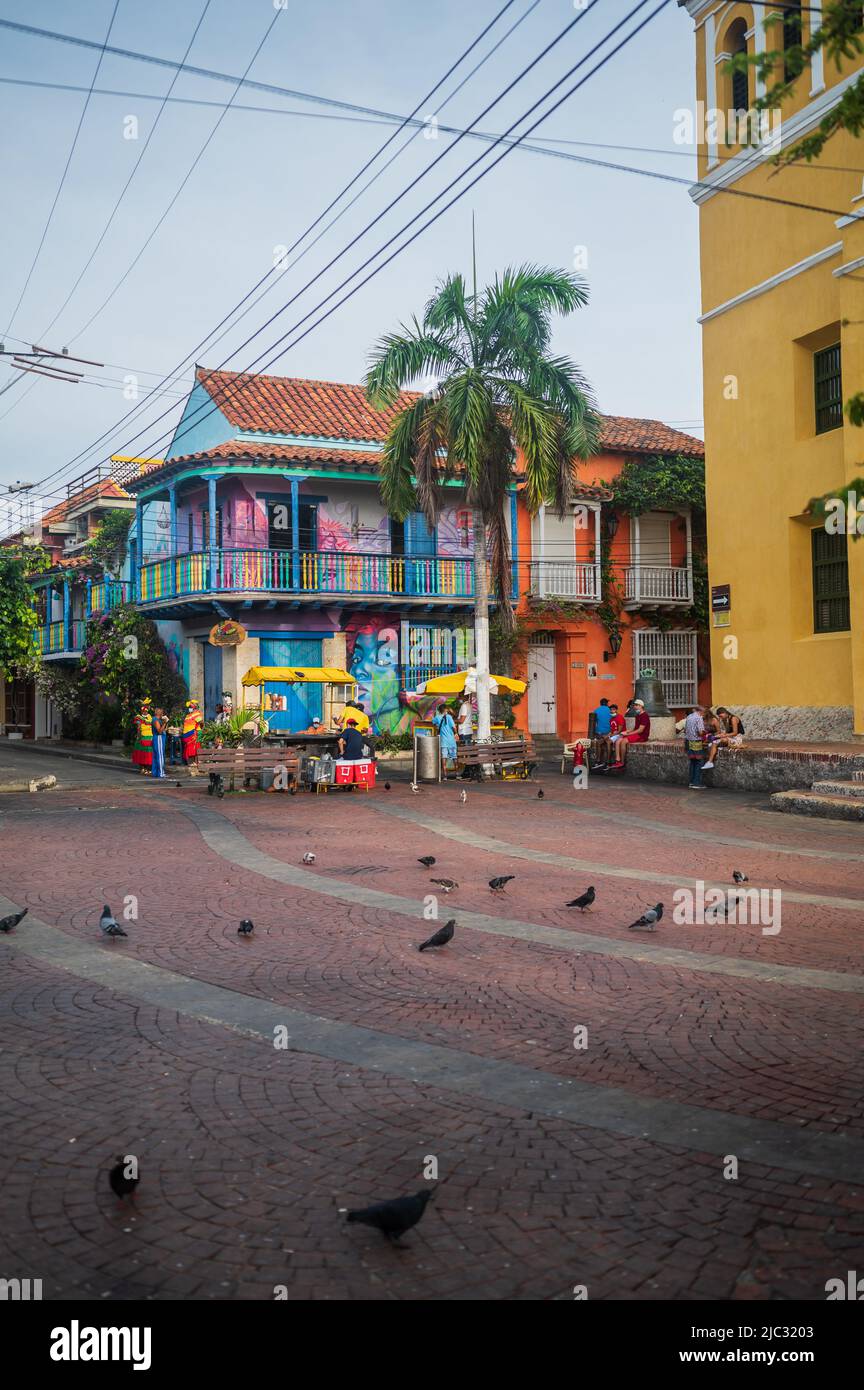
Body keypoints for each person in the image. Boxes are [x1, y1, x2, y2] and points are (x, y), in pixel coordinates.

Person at [683, 704, 707, 789]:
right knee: (699, 762)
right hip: (696, 742)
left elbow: (685, 730)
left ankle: (691, 782)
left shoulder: (689, 716)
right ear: (701, 711)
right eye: (704, 713)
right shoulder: (699, 718)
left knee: (692, 762)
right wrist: (705, 732)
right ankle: (697, 783)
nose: (704, 715)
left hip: (688, 741)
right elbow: (700, 732)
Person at [433, 701, 459, 776]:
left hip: (443, 741)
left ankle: (445, 775)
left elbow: (433, 722)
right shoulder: (449, 717)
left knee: (444, 757)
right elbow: (454, 727)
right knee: (454, 757)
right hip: (451, 741)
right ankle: (457, 774)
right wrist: (456, 734)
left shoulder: (437, 717)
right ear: (445, 710)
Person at [131, 698, 153, 775]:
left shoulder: (150, 717)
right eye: (145, 709)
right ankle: (143, 768)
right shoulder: (139, 717)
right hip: (144, 737)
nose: (145, 710)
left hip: (149, 737)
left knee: (147, 754)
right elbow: (138, 727)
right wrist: (138, 736)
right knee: (143, 753)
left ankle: (146, 768)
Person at [591, 697, 613, 766]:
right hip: (609, 732)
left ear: (600, 704)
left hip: (599, 733)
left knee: (599, 743)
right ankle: (608, 761)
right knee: (607, 744)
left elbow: (594, 723)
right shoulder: (610, 710)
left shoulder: (596, 710)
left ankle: (598, 760)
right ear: (607, 703)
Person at [181, 700, 204, 766]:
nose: (189, 708)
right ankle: (192, 762)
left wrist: (199, 730)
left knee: (196, 748)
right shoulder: (189, 715)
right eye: (189, 707)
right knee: (192, 748)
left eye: (191, 707)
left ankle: (195, 762)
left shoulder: (195, 714)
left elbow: (201, 723)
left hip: (194, 733)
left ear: (194, 707)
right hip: (189, 735)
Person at [151, 707, 167, 779]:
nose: (163, 714)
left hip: (157, 738)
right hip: (159, 738)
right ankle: (161, 773)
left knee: (156, 756)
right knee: (160, 756)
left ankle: (156, 772)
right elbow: (159, 731)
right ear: (159, 713)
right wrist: (165, 722)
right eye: (162, 712)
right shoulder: (156, 720)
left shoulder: (157, 720)